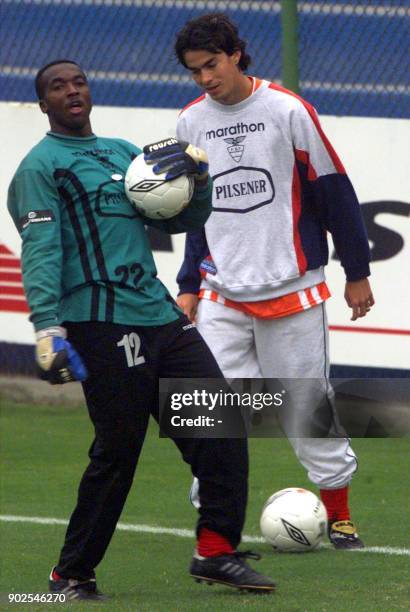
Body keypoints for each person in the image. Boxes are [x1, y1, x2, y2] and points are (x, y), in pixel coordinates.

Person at [7, 60, 276, 600]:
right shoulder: (41, 167)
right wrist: (47, 328)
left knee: (220, 428)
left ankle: (217, 552)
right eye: (57, 87)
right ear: (43, 105)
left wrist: (198, 180)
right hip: (100, 325)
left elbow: (177, 219)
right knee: (119, 449)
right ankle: (72, 574)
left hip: (161, 319)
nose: (72, 90)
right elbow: (40, 251)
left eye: (79, 81)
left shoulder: (123, 153)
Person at [169, 13, 375, 549]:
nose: (206, 78)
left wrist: (357, 271)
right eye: (195, 71)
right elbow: (194, 211)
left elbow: (334, 190)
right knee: (208, 409)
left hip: (292, 289)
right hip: (222, 293)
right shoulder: (190, 122)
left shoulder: (287, 110)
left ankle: (340, 513)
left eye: (211, 64)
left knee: (306, 409)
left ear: (236, 53)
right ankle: (216, 525)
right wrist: (190, 282)